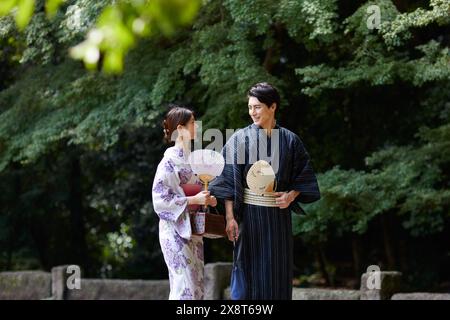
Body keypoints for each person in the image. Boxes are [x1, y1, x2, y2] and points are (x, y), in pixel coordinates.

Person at [209, 83, 321, 299]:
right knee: (247, 271)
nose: (253, 112)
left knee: (277, 272)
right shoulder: (239, 139)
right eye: (250, 107)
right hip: (248, 219)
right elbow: (226, 180)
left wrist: (291, 195)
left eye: (258, 107)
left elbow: (304, 175)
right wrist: (230, 218)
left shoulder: (290, 140)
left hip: (278, 218)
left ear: (273, 107)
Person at [152, 105, 217, 300]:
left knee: (196, 286)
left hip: (193, 230)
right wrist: (194, 199)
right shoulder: (168, 162)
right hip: (174, 230)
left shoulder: (194, 159)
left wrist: (207, 200)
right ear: (180, 129)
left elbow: (198, 193)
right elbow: (160, 200)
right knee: (184, 285)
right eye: (192, 123)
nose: (196, 126)